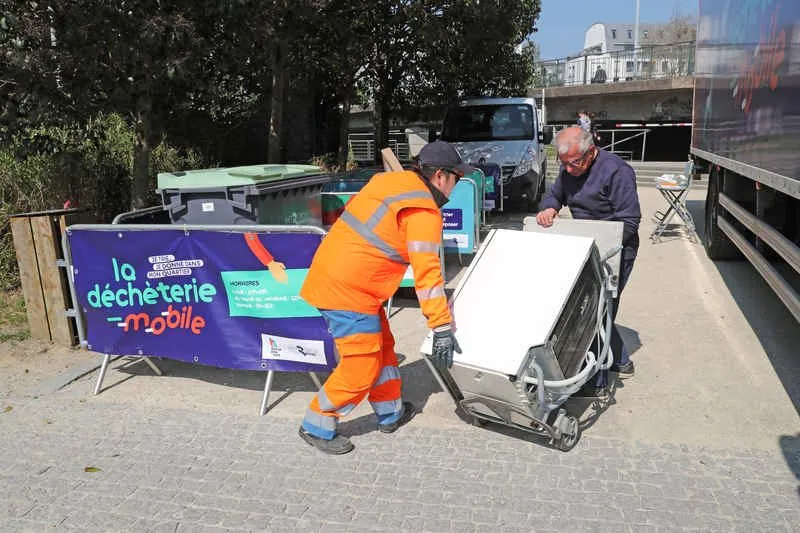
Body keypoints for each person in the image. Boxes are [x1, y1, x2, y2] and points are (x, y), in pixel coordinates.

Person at [297, 141, 472, 454]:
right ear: (441, 176)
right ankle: (317, 421)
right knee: (361, 364)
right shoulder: (422, 212)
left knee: (384, 348)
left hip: (350, 284)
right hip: (346, 292)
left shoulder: (393, 183)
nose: (456, 186)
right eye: (457, 178)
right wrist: (442, 326)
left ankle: (390, 411)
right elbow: (428, 276)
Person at [535, 126, 641, 397]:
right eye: (564, 164)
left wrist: (605, 245)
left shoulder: (617, 171)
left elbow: (629, 220)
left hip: (615, 249)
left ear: (591, 152)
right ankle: (620, 360)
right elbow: (556, 194)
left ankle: (596, 382)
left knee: (598, 310)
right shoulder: (569, 168)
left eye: (574, 163)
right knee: (592, 309)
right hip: (583, 246)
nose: (569, 170)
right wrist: (549, 207)